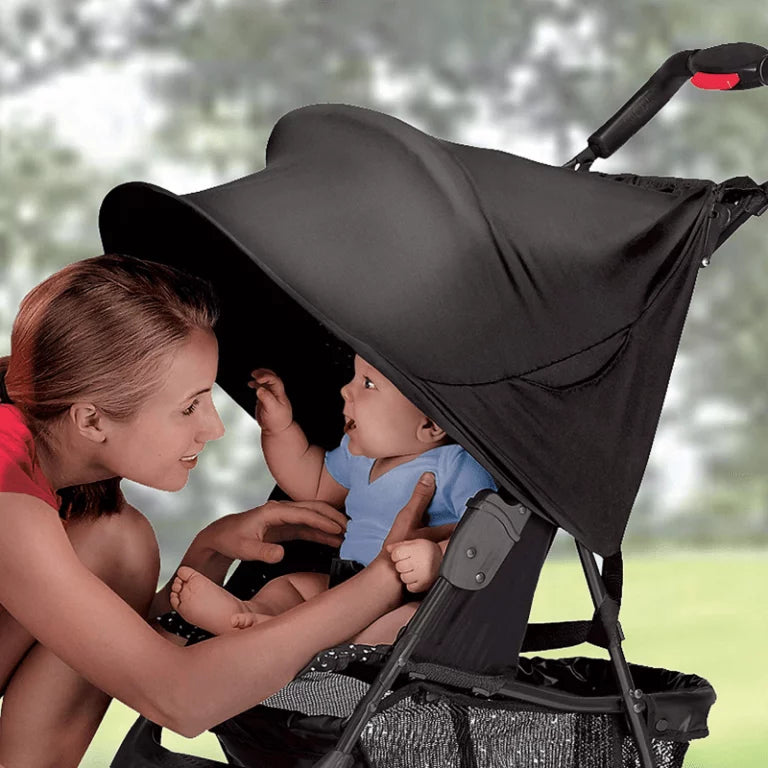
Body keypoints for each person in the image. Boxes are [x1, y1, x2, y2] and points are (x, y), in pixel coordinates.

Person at [0, 254, 437, 768]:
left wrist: (210, 550)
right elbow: (180, 699)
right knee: (120, 543)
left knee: (121, 544)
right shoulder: (9, 498)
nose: (214, 427)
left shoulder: (45, 468)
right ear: (92, 420)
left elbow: (114, 650)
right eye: (190, 406)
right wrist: (384, 579)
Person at [169, 355, 496, 642]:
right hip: (347, 581)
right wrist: (279, 430)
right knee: (289, 589)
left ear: (429, 425)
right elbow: (314, 485)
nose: (346, 390)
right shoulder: (361, 457)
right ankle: (251, 614)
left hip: (409, 595)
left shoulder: (454, 465)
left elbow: (488, 530)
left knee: (404, 623)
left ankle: (307, 643)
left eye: (368, 384)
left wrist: (437, 558)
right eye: (354, 377)